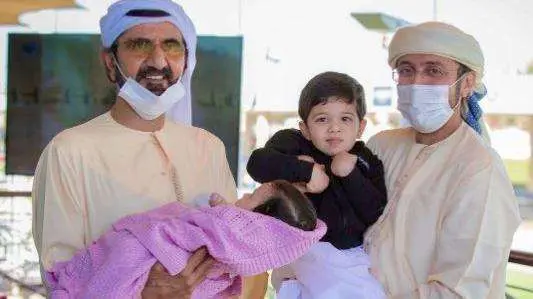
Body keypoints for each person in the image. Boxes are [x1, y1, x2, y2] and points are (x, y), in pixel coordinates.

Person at [31, 0, 265, 297]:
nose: (158, 60)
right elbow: (61, 282)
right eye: (140, 45)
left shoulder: (208, 147)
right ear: (108, 61)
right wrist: (142, 293)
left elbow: (236, 255)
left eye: (171, 46)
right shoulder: (68, 152)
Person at [364, 21, 522, 298]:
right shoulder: (381, 145)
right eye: (406, 70)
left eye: (433, 71)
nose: (416, 83)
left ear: (467, 84)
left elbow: (458, 289)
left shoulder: (479, 168)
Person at [44, 180, 326, 298]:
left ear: (261, 221)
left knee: (125, 256)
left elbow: (208, 227)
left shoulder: (233, 229)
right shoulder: (240, 242)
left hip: (154, 248)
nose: (242, 197)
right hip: (167, 258)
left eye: (251, 197)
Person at [246, 71, 387, 298]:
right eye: (322, 119)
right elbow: (257, 164)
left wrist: (350, 175)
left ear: (360, 128)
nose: (334, 128)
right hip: (301, 250)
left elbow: (375, 211)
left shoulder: (365, 160)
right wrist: (306, 172)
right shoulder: (292, 143)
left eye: (345, 119)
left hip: (350, 258)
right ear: (305, 129)